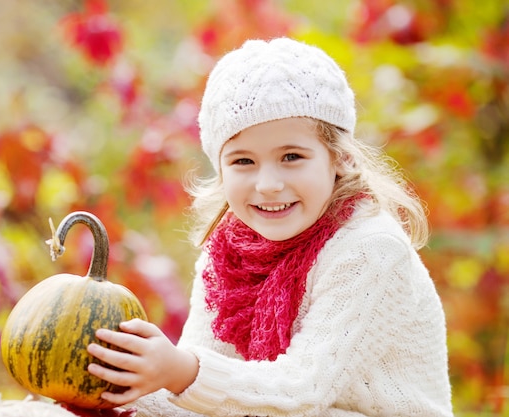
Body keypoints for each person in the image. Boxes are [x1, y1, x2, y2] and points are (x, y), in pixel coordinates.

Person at [85, 37, 454, 416]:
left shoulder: (369, 249)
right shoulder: (227, 257)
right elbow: (205, 401)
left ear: (340, 158)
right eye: (243, 161)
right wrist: (117, 391)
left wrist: (181, 371)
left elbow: (302, 392)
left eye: (291, 156)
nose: (268, 184)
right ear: (221, 168)